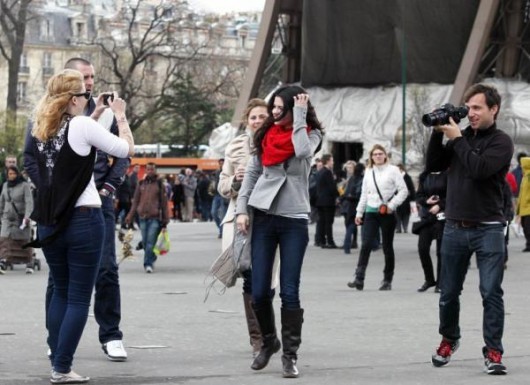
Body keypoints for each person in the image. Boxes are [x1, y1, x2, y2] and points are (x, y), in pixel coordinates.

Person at [26, 69, 134, 383]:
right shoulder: (82, 125)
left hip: (51, 222)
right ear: (74, 99)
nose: (87, 100)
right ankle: (62, 367)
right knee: (77, 297)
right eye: (85, 96)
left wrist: (96, 109)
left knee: (60, 290)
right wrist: (120, 116)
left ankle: (56, 355)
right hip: (84, 219)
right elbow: (126, 149)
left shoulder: (41, 128)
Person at [235, 85, 323, 378]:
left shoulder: (310, 134)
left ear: (293, 108)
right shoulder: (266, 135)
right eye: (272, 108)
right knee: (258, 292)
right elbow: (252, 173)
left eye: (278, 108)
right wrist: (241, 210)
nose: (273, 113)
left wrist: (299, 117)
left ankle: (289, 354)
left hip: (294, 219)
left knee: (289, 290)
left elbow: (301, 151)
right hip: (263, 215)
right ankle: (269, 342)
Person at [426, 83, 513, 375]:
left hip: (488, 228)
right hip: (453, 227)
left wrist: (458, 139)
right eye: (469, 108)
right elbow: (433, 165)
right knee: (448, 292)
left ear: (493, 109)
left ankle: (494, 351)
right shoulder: (458, 138)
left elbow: (478, 170)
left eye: (477, 108)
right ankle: (449, 338)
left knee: (490, 292)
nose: (471, 113)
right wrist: (437, 133)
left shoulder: (501, 142)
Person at [218, 98, 268, 357]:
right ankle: (257, 339)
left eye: (262, 116)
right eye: (253, 117)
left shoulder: (278, 143)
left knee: (267, 279)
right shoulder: (235, 146)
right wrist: (236, 183)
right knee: (249, 274)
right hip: (242, 217)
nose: (257, 121)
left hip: (272, 216)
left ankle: (269, 331)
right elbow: (222, 185)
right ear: (247, 121)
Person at [347, 144, 407, 291]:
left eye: (380, 154)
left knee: (387, 246)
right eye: (375, 154)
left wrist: (392, 205)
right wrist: (359, 213)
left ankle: (387, 279)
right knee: (366, 244)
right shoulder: (368, 171)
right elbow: (364, 193)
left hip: (386, 212)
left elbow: (403, 191)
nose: (378, 156)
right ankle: (359, 277)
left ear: (385, 155)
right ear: (371, 157)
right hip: (371, 212)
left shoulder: (393, 170)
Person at [125, 162, 169, 273]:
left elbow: (164, 203)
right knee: (145, 242)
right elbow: (135, 201)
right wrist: (130, 215)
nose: (150, 171)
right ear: (146, 171)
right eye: (148, 169)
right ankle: (152, 256)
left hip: (154, 218)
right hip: (142, 217)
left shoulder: (159, 184)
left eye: (152, 169)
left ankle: (148, 264)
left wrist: (165, 220)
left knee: (150, 242)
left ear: (155, 171)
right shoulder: (141, 184)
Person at [413, 170, 447, 292]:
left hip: (444, 217)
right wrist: (427, 201)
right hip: (427, 216)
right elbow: (418, 195)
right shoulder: (425, 175)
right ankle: (429, 279)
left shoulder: (448, 174)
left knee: (441, 252)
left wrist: (440, 204)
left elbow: (455, 194)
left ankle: (441, 283)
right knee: (422, 248)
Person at [0, 165, 34, 273]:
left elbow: (29, 202)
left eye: (14, 173)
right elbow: (2, 201)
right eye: (10, 174)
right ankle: (3, 261)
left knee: (23, 241)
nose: (12, 176)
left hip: (21, 218)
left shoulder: (24, 185)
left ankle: (29, 263)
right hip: (7, 218)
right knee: (4, 238)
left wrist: (27, 217)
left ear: (18, 174)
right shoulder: (5, 185)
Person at [315, 154, 339, 248]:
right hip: (328, 201)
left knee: (322, 221)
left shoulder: (320, 172)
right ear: (328, 161)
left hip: (320, 200)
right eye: (332, 160)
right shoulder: (328, 172)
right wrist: (338, 195)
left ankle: (322, 241)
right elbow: (331, 187)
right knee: (329, 222)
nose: (333, 162)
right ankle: (330, 241)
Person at [340, 162, 365, 254]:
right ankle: (370, 245)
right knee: (366, 227)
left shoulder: (351, 179)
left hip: (350, 206)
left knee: (350, 227)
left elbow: (346, 192)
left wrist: (342, 199)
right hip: (359, 205)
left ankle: (347, 246)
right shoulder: (363, 179)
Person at [394, 163, 416, 233]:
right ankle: (398, 228)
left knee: (406, 213)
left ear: (401, 169)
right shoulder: (394, 177)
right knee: (397, 213)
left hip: (406, 199)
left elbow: (411, 188)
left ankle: (405, 227)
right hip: (396, 198)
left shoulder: (407, 177)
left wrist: (413, 198)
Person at [211, 158, 229, 238]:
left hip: (224, 195)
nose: (221, 164)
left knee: (223, 214)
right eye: (220, 163)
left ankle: (222, 231)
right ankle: (221, 228)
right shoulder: (217, 172)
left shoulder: (228, 171)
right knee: (213, 212)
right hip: (217, 194)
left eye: (223, 163)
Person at [516, 156, 530, 252]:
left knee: (528, 228)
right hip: (524, 207)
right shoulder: (525, 176)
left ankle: (529, 245)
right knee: (525, 227)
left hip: (528, 206)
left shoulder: (528, 177)